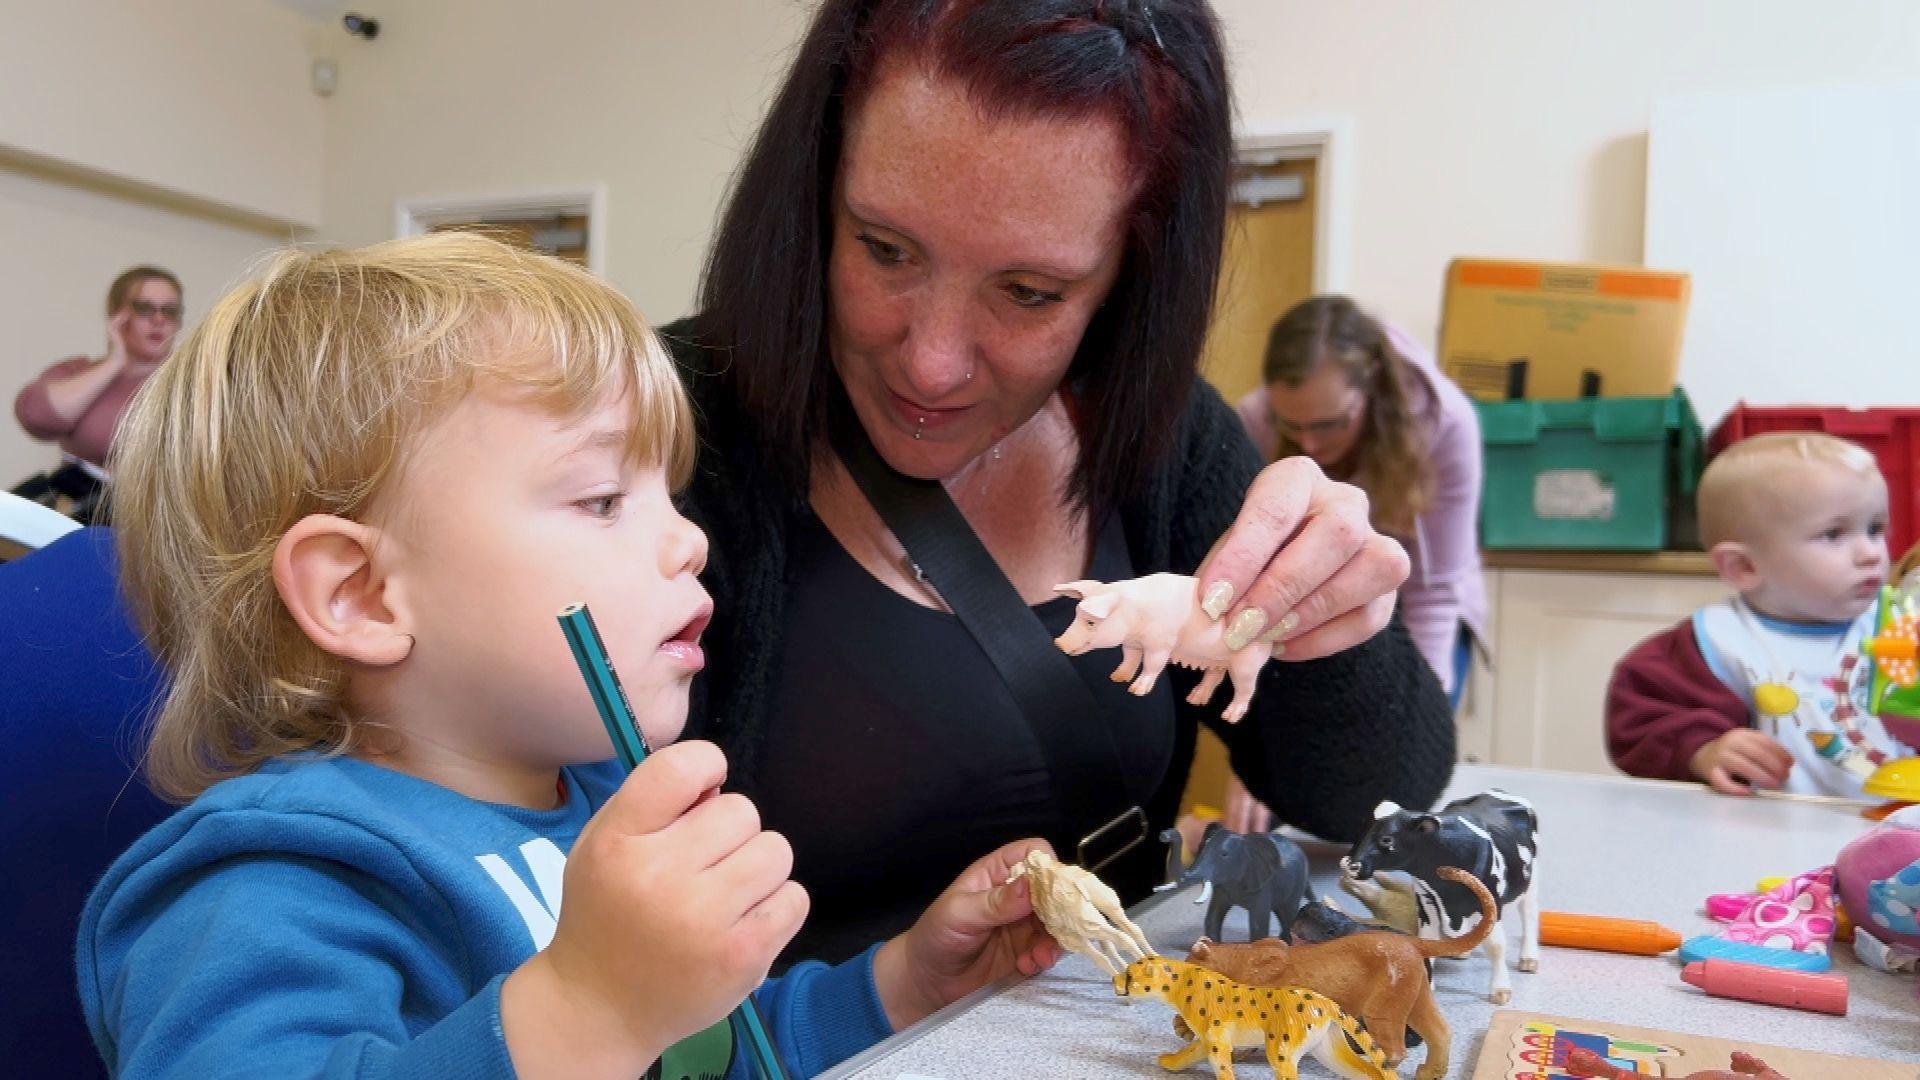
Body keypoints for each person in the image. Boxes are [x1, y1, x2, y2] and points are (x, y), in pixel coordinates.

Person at [78, 234, 1062, 1079]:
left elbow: (721, 1049)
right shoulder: (271, 883)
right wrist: (585, 1013)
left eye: (670, 495)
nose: (688, 542)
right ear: (361, 595)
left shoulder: (593, 803)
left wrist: (903, 984)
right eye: (600, 500)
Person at [665, 0, 1455, 963]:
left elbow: (1372, 797)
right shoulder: (661, 439)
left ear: (1134, 273)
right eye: (884, 249)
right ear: (816, 192)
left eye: (1030, 292)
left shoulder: (1157, 433)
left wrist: (1327, 615)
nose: (933, 365)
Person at [1221, 295, 1485, 833]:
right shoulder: (1254, 420)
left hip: (1420, 604)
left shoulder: (1445, 425)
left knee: (1400, 786)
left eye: (1328, 424)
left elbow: (1434, 594)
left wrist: (1412, 731)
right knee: (1294, 779)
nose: (1310, 445)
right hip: (1300, 606)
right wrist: (1251, 754)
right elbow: (1255, 592)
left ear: (1370, 391)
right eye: (1292, 427)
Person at [1606, 433, 1894, 797]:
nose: (1871, 553)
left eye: (1875, 529)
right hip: (1760, 834)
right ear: (1743, 566)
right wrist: (1702, 750)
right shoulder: (1716, 644)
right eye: (1834, 534)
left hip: (1897, 829)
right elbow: (1642, 718)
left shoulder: (1898, 628)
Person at [13, 266, 183, 520]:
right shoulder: (79, 370)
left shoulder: (187, 386)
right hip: (75, 506)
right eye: (145, 308)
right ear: (118, 314)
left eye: (170, 311)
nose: (159, 320)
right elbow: (37, 416)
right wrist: (114, 362)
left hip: (151, 519)